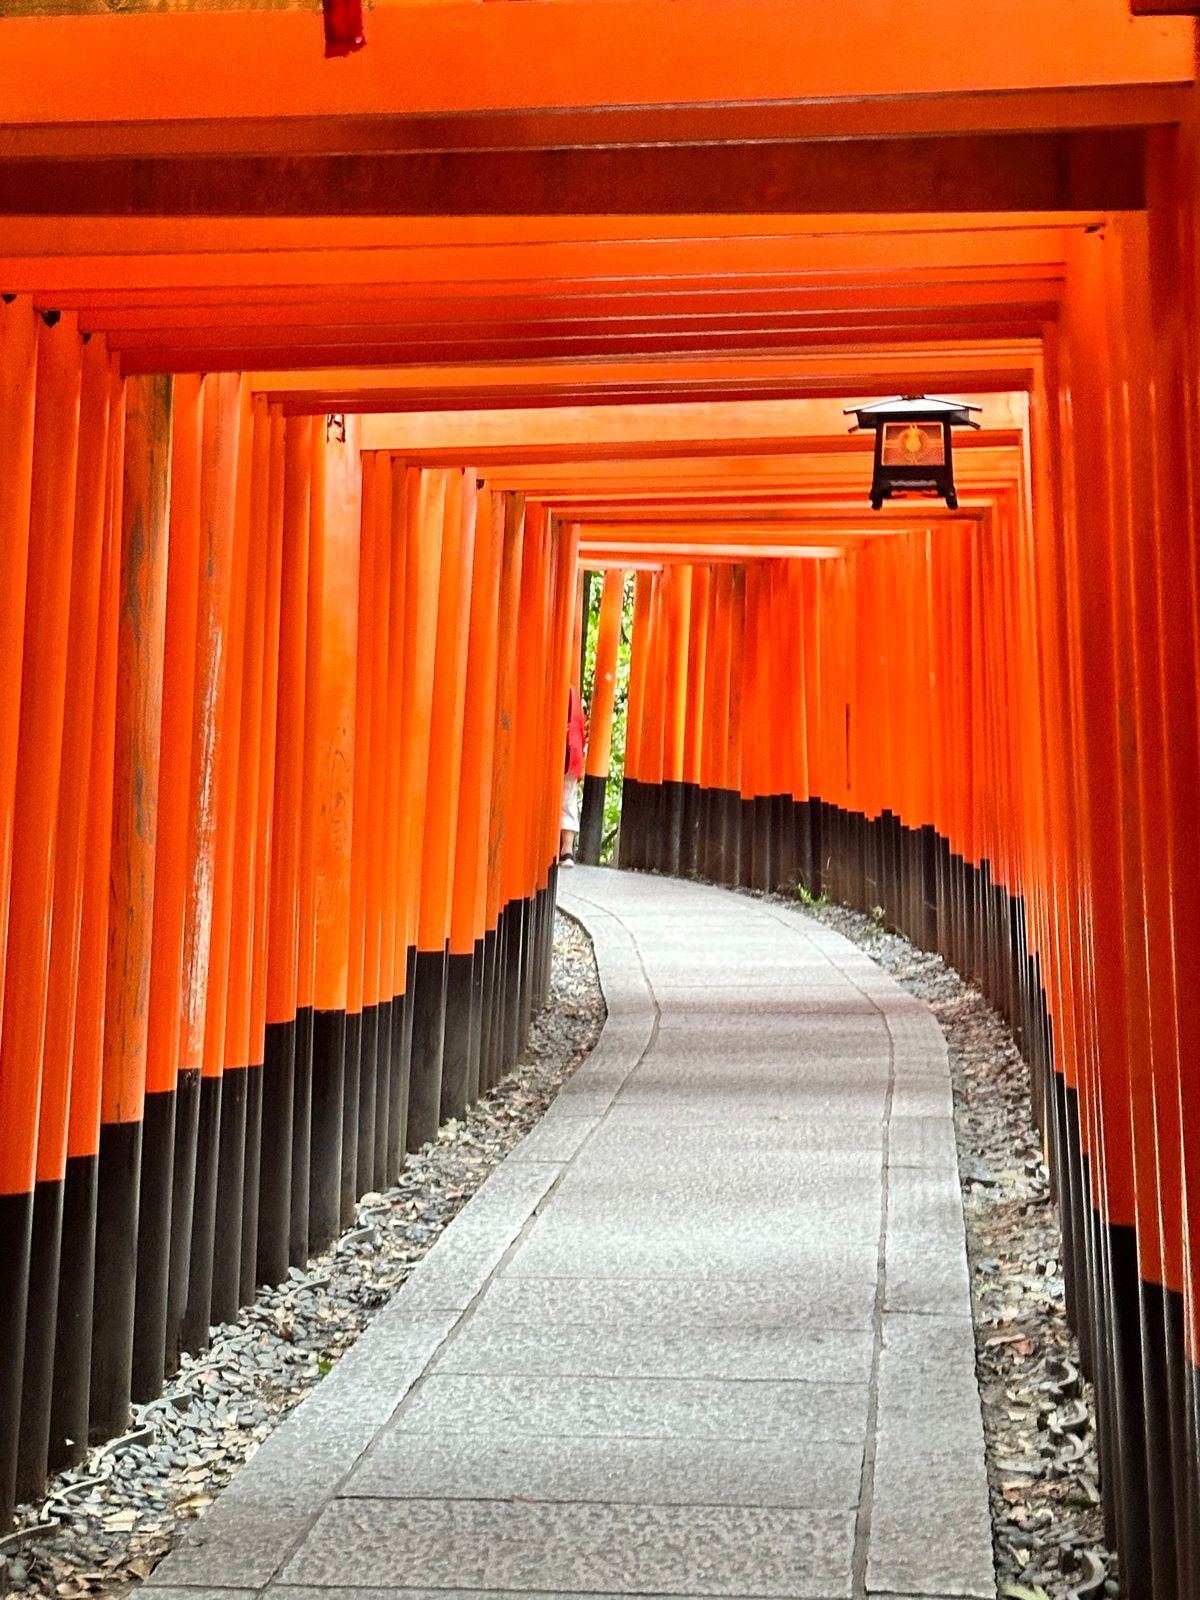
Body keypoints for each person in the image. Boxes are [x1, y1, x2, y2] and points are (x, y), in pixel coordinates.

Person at [561, 683, 586, 867]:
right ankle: (567, 851)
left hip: (562, 749)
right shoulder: (574, 694)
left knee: (565, 799)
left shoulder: (561, 691)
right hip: (573, 752)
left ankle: (565, 850)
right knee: (568, 800)